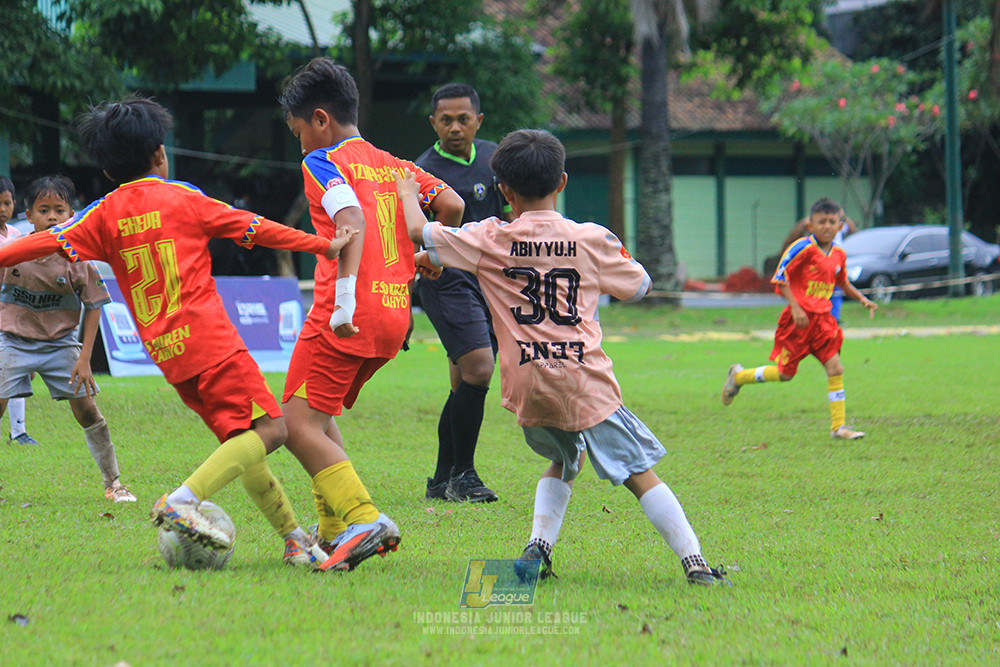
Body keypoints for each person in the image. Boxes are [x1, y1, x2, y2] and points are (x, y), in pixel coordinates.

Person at [0, 95, 357, 568]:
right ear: (159, 155)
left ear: (108, 172)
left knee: (242, 440)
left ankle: (294, 539)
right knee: (273, 428)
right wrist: (324, 245)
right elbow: (257, 228)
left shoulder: (99, 216)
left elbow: (31, 245)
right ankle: (182, 500)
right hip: (211, 342)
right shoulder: (185, 198)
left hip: (167, 354)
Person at [395, 129, 729, 586]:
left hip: (527, 384)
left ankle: (538, 549)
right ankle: (697, 566)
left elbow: (422, 234)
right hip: (583, 380)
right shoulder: (592, 238)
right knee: (637, 472)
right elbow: (640, 285)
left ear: (503, 191)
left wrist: (407, 192)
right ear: (563, 182)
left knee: (566, 459)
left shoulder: (488, 237)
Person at [278, 57, 465, 571]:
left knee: (294, 423)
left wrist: (341, 303)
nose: (301, 144)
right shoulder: (398, 164)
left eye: (299, 132)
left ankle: (363, 518)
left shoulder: (323, 161)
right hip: (394, 313)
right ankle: (334, 529)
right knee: (319, 413)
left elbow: (350, 218)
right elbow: (450, 205)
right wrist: (427, 258)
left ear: (320, 119)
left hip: (344, 313)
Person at [0, 175, 135, 502]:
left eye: (59, 210)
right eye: (43, 210)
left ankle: (114, 483)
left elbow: (93, 308)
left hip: (60, 345)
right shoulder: (11, 254)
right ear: (29, 216)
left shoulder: (79, 259)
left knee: (87, 411)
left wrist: (85, 359)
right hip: (13, 342)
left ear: (71, 215)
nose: (52, 218)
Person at [414, 83, 513, 503]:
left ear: (479, 121)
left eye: (463, 119)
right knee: (480, 369)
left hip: (489, 280)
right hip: (446, 279)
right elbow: (412, 237)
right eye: (446, 120)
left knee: (463, 382)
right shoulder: (423, 171)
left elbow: (512, 214)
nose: (455, 127)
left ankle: (441, 478)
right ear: (433, 122)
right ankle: (465, 476)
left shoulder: (496, 159)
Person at [722, 197, 877, 439]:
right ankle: (739, 376)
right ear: (811, 225)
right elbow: (780, 279)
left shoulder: (839, 255)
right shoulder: (801, 248)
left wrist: (861, 299)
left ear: (840, 226)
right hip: (799, 323)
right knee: (785, 374)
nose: (827, 226)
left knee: (836, 368)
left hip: (824, 322)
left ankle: (839, 428)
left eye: (832, 221)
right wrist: (795, 307)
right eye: (821, 221)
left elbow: (842, 281)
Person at [0, 177, 36, 445]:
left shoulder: (16, 236)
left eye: (7, 202)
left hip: (12, 311)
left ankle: (19, 431)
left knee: (17, 369)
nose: (2, 208)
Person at [781, 208, 858, 321]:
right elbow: (800, 227)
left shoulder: (840, 225)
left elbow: (854, 231)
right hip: (819, 261)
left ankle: (834, 318)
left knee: (835, 290)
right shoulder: (814, 229)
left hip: (834, 261)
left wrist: (845, 218)